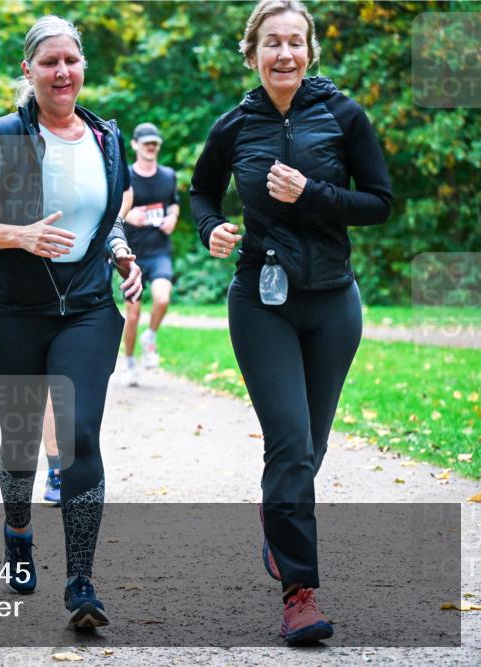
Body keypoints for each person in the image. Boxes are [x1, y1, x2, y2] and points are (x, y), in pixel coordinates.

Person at [190, 0, 391, 643]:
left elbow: (379, 202)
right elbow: (199, 191)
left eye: (296, 43)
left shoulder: (343, 115)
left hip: (333, 301)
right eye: (272, 42)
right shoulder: (233, 125)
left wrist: (313, 194)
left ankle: (280, 518)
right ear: (252, 53)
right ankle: (299, 593)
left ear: (310, 52)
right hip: (261, 300)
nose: (285, 54)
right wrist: (211, 227)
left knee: (310, 448)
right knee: (290, 444)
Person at [0, 15, 142, 631]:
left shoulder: (108, 138)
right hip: (10, 313)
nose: (62, 72)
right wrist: (15, 234)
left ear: (82, 67)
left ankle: (81, 582)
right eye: (49, 62)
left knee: (80, 435)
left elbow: (103, 217)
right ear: (29, 72)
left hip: (86, 310)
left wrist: (119, 252)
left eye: (72, 61)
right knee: (19, 441)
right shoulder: (6, 137)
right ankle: (17, 531)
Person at [120, 122, 180, 386]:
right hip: (131, 256)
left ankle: (151, 336)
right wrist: (127, 216)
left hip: (159, 251)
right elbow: (111, 211)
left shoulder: (168, 176)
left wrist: (173, 218)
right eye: (146, 143)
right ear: (135, 145)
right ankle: (130, 362)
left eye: (154, 143)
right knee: (132, 314)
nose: (151, 147)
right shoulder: (125, 177)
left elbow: (175, 204)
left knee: (163, 298)